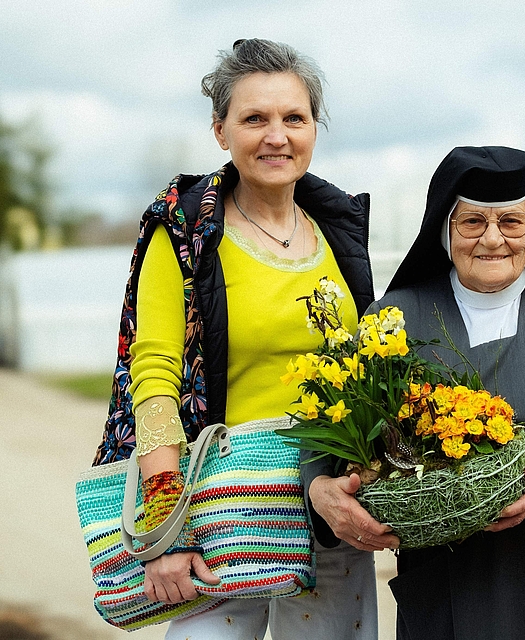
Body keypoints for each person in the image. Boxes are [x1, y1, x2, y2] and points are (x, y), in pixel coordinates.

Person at [302, 145, 525, 639]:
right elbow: (333, 427)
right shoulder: (394, 318)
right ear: (444, 229)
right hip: (446, 581)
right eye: (472, 222)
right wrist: (321, 489)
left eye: (511, 221)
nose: (492, 239)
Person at [93, 38, 377, 639]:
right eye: (254, 119)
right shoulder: (186, 234)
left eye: (294, 118)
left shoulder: (338, 231)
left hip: (329, 511)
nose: (277, 136)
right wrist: (165, 526)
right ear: (220, 131)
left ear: (314, 128)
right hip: (219, 517)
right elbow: (155, 376)